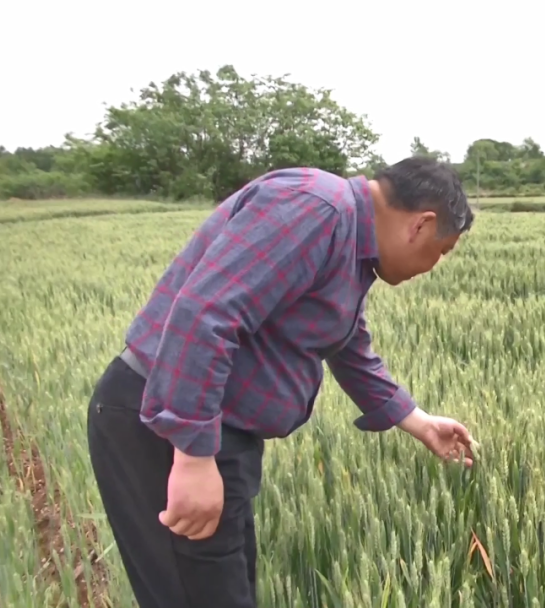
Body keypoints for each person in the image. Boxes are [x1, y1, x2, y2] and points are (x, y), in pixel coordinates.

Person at [85, 156, 477, 608]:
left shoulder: (350, 243)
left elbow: (346, 344)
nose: (432, 266)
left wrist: (420, 422)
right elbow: (207, 313)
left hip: (209, 432)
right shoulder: (317, 208)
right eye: (441, 252)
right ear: (422, 225)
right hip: (164, 424)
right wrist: (193, 456)